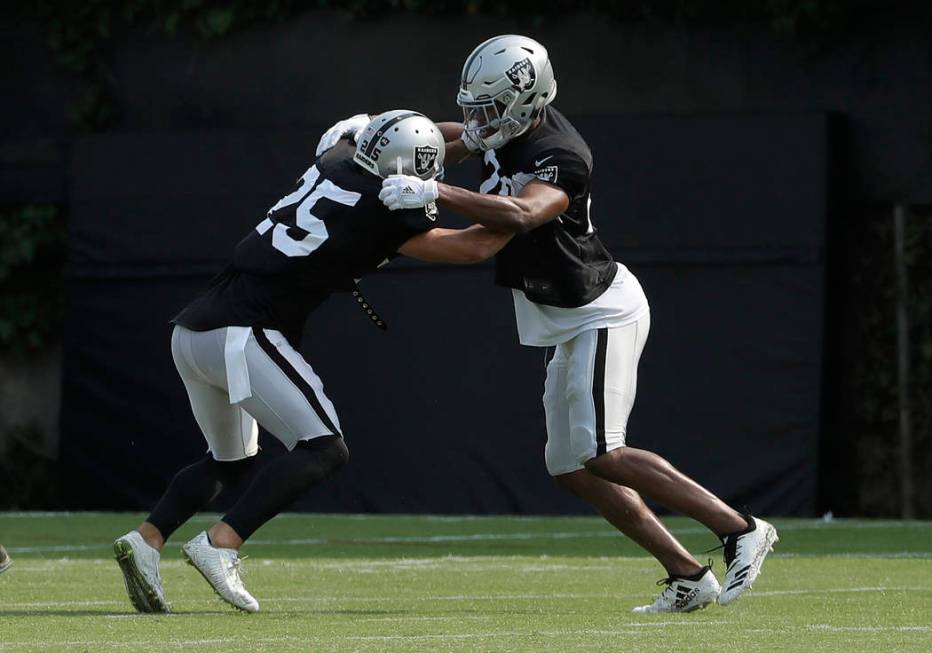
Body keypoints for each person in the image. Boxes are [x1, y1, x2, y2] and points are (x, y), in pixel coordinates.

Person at [353, 35, 778, 613]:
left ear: (528, 100)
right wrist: (380, 132)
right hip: (563, 315)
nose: (477, 121)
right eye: (474, 106)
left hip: (600, 310)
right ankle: (687, 575)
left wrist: (430, 192)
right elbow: (450, 141)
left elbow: (518, 215)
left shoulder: (561, 153)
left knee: (603, 452)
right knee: (570, 468)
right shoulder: (506, 127)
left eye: (489, 109)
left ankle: (741, 528)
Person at [113, 110, 512, 614]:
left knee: (231, 462)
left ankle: (146, 540)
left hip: (195, 330)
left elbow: (394, 147)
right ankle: (222, 542)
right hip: (247, 331)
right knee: (324, 448)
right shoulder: (388, 208)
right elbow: (471, 246)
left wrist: (470, 140)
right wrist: (522, 216)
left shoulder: (336, 157)